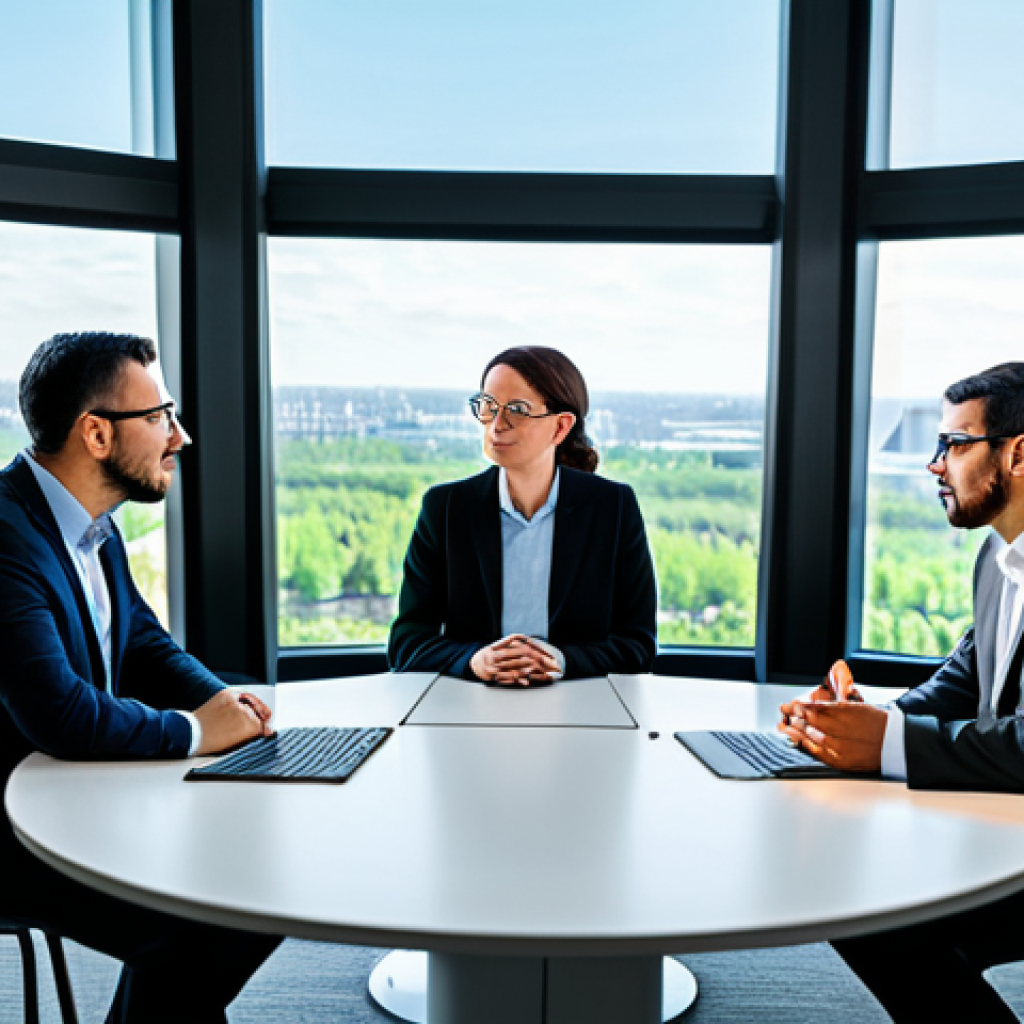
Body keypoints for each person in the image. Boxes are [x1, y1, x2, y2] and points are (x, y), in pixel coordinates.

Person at [0, 332, 282, 1023]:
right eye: (158, 417)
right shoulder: (5, 535)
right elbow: (58, 712)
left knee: (249, 886)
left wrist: (216, 701)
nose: (179, 436)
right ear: (95, 434)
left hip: (75, 790)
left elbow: (146, 645)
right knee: (214, 917)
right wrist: (194, 731)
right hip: (14, 824)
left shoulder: (91, 522)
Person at [779, 361, 1024, 1024]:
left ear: (1018, 452)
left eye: (952, 444)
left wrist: (885, 744)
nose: (934, 465)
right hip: (1010, 826)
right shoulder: (1000, 558)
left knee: (886, 914)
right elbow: (965, 678)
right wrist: (868, 719)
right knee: (865, 901)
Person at [388, 345, 657, 684]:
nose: (496, 426)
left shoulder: (613, 508)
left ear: (560, 428)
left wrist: (561, 660)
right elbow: (406, 646)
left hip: (586, 708)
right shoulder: (446, 508)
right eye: (488, 407)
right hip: (467, 708)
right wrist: (474, 660)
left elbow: (639, 647)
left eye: (516, 410)